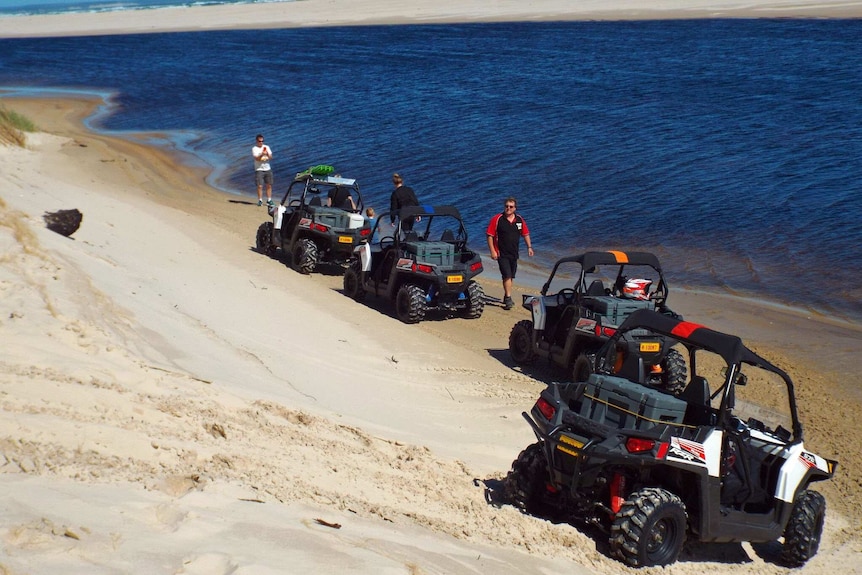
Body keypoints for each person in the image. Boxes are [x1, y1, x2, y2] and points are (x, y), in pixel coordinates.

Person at [486, 197, 534, 310]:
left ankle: (506, 295)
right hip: (501, 253)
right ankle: (508, 298)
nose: (508, 208)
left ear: (515, 208)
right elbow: (489, 235)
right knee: (506, 275)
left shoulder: (519, 220)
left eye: (511, 207)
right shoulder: (497, 219)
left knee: (511, 276)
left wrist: (529, 247)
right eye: (506, 206)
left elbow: (525, 234)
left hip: (514, 253)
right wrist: (492, 251)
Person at [252, 134, 273, 207]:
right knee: (260, 186)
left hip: (267, 168)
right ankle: (260, 200)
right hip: (259, 169)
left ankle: (269, 200)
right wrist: (261, 154)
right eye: (259, 141)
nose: (261, 142)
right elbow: (256, 158)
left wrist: (267, 154)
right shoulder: (254, 148)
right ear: (257, 141)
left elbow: (270, 157)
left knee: (269, 185)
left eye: (262, 141)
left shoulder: (266, 147)